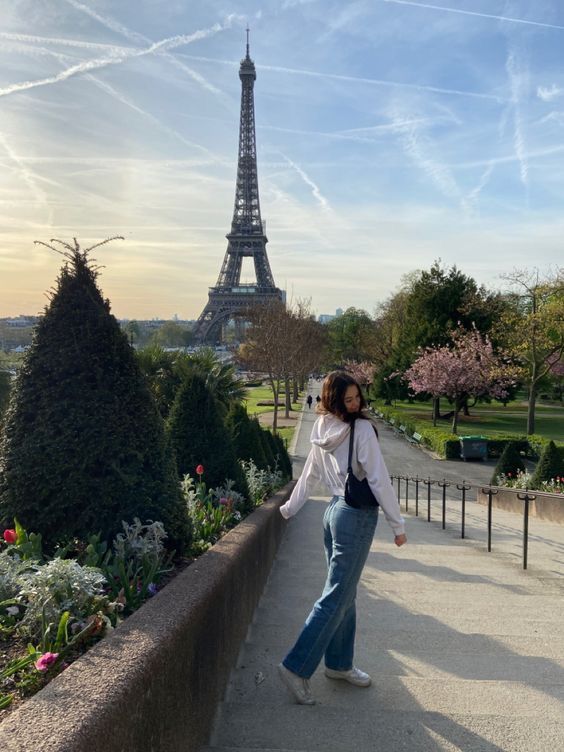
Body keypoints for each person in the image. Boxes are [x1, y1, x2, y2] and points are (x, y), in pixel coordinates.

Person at [277, 370, 407, 705]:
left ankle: (339, 664)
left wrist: (291, 508)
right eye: (348, 399)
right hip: (357, 517)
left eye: (357, 397)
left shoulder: (322, 427)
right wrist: (397, 524)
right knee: (336, 596)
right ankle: (296, 667)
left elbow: (310, 473)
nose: (355, 403)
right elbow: (378, 479)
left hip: (334, 513)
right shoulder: (361, 428)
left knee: (344, 594)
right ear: (334, 400)